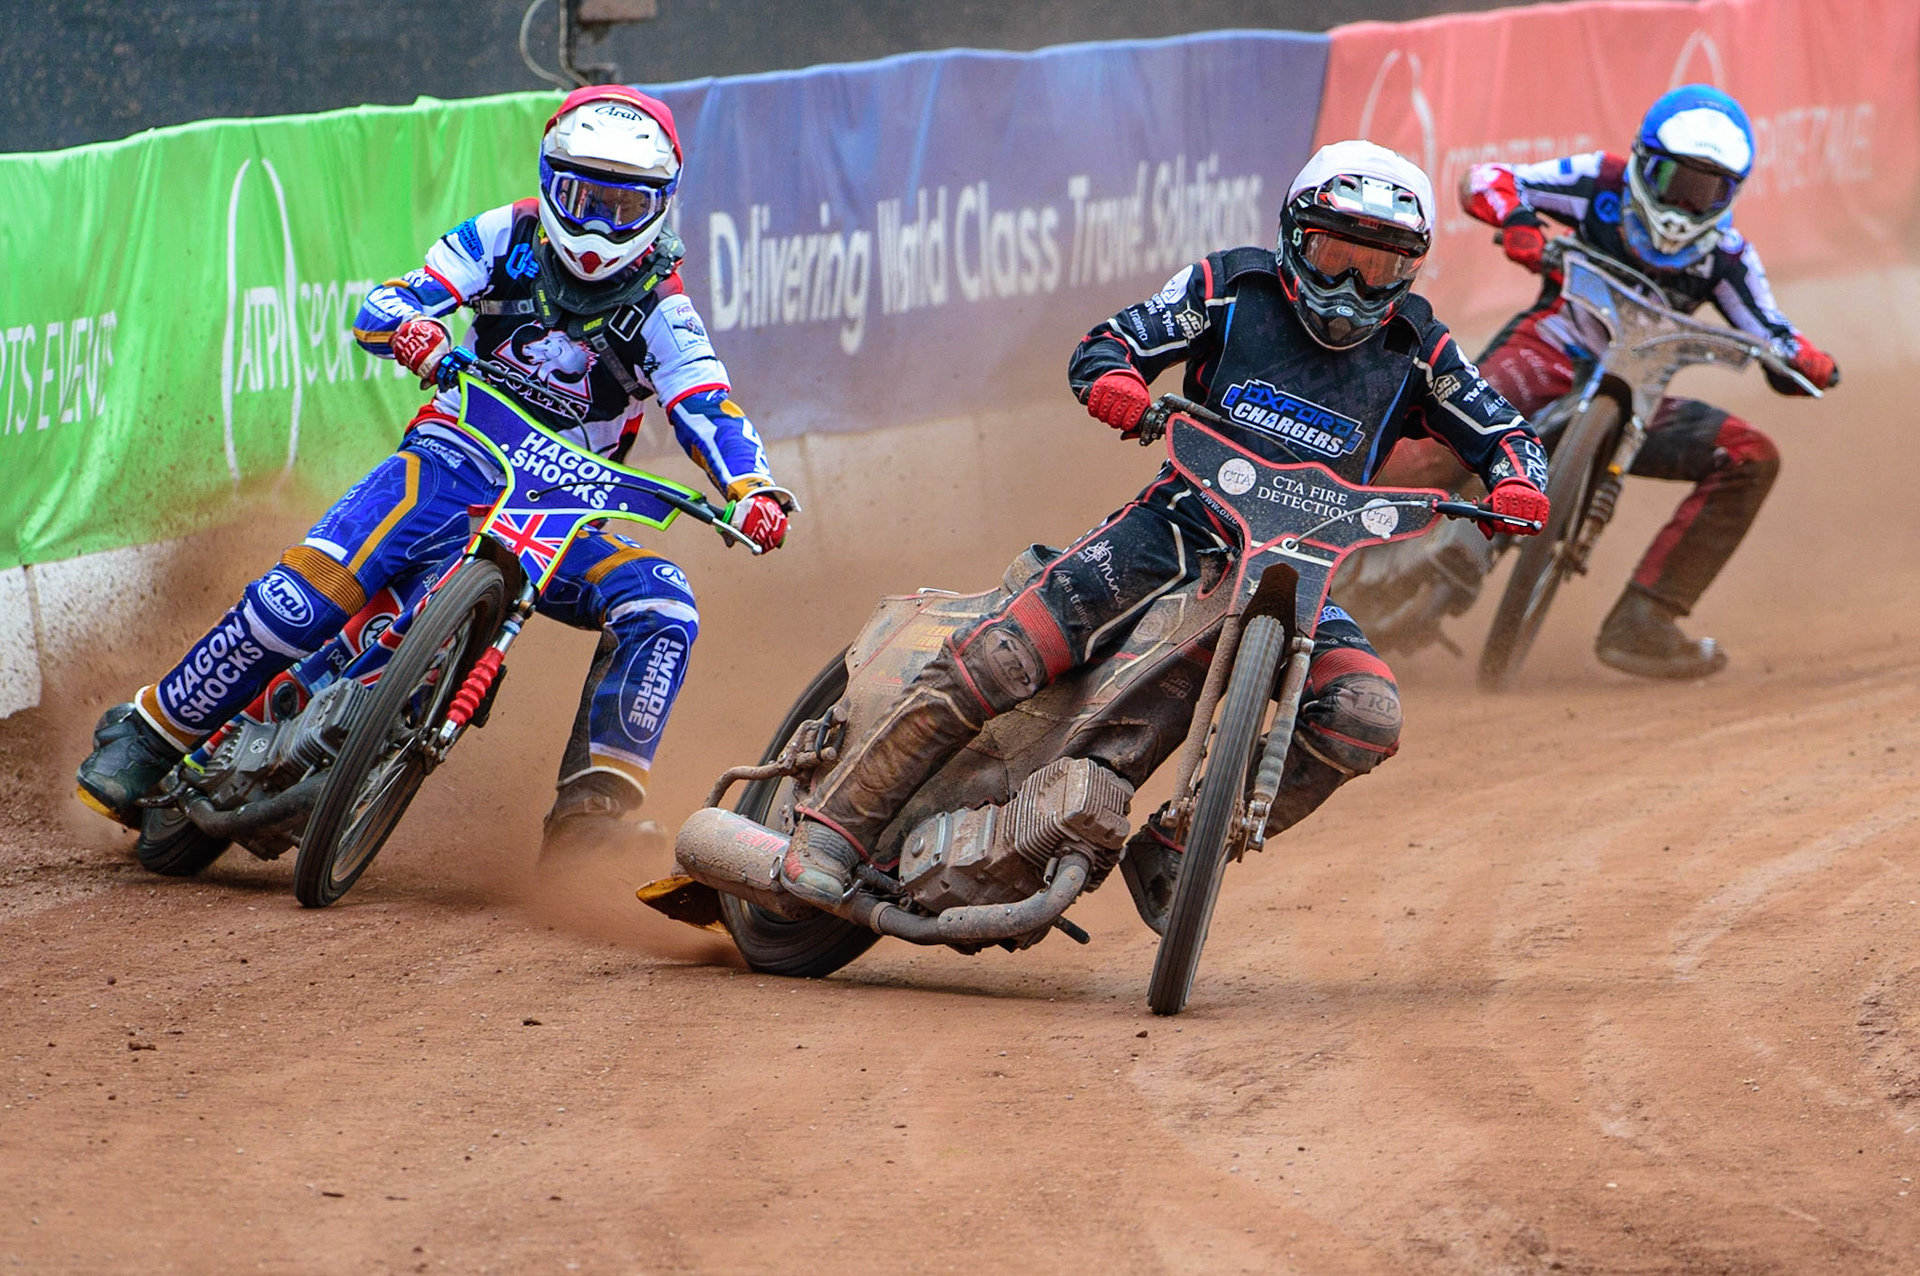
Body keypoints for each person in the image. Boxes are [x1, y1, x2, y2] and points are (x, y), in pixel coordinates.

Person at [776, 140, 1550, 913]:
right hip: (1174, 530)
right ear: (1294, 236)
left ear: (1409, 269)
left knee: (1365, 713)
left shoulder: (1420, 347)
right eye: (1336, 253)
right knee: (1006, 657)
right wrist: (1118, 385)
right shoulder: (1232, 287)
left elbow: (1510, 432)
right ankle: (834, 828)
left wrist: (1519, 481)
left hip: (1298, 574)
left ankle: (1182, 845)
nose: (1351, 285)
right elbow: (1110, 342)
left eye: (1377, 266)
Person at [75, 85, 794, 859]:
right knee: (301, 600)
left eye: (622, 208)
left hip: (559, 510)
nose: (595, 225)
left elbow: (707, 407)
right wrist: (411, 327)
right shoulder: (506, 232)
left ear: (660, 206)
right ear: (550, 183)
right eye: (580, 197)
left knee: (664, 605)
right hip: (451, 456)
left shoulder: (664, 308)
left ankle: (592, 820)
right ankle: (151, 731)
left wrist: (751, 488)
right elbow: (386, 302)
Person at [1446, 84, 1839, 679]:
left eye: (1707, 189)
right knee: (1440, 429)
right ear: (1640, 161)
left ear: (1731, 195)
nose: (1685, 204)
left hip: (1639, 397)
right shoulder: (1598, 180)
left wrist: (1805, 360)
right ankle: (1353, 540)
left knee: (1751, 456)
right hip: (1549, 353)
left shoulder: (1727, 257)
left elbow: (1774, 330)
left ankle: (1643, 622)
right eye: (1675, 181)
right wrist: (1520, 221)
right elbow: (1486, 179)